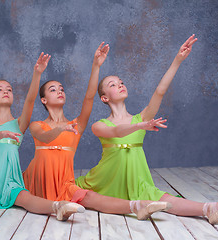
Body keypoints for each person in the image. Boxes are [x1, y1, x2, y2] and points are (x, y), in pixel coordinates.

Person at [76, 35, 218, 224]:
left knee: (165, 200)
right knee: (83, 195)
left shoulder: (141, 118)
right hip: (104, 179)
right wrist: (140, 126)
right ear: (104, 98)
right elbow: (116, 132)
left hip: (137, 177)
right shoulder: (100, 125)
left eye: (121, 82)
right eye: (112, 85)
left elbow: (160, 91)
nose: (120, 85)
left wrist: (177, 60)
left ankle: (210, 209)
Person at [23, 42, 172, 220]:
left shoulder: (76, 125)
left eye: (61, 89)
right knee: (25, 198)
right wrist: (60, 127)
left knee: (92, 198)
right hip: (36, 177)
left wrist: (96, 66)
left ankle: (137, 206)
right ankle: (56, 207)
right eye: (53, 90)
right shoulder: (37, 125)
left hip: (64, 181)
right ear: (44, 100)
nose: (59, 91)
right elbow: (45, 137)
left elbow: (89, 97)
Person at [0, 52, 84, 221]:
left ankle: (57, 207)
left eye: (9, 89)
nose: (5, 91)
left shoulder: (19, 124)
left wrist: (37, 73)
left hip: (9, 177)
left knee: (24, 197)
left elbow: (30, 100)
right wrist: (2, 134)